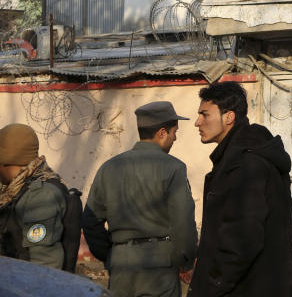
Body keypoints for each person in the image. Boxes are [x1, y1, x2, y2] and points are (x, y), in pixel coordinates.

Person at [187, 82, 292, 297]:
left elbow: (242, 238)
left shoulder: (245, 163)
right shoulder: (239, 157)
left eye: (205, 115)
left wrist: (214, 285)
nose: (197, 122)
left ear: (229, 117)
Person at [81, 101, 198, 297]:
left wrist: (111, 255)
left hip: (121, 265)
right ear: (162, 132)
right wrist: (185, 262)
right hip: (159, 266)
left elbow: (91, 220)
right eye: (174, 132)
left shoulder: (109, 167)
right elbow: (183, 223)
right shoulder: (174, 168)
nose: (175, 138)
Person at [0, 123, 69, 269]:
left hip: (30, 286)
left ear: (4, 161)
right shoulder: (13, 190)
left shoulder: (40, 195)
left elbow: (45, 264)